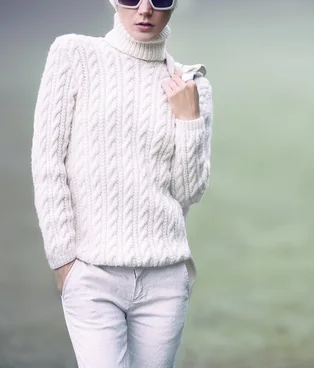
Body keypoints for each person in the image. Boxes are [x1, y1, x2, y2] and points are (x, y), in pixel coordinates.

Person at [30, 0, 213, 366]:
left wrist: (188, 120)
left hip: (165, 278)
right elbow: (48, 161)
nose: (144, 9)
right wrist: (64, 261)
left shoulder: (192, 85)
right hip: (92, 275)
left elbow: (188, 192)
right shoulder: (74, 55)